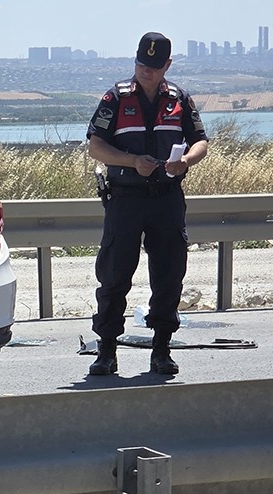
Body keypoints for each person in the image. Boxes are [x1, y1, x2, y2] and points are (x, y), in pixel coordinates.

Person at [85, 31, 208, 376]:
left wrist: (186, 162)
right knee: (114, 275)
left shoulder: (179, 98)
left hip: (167, 199)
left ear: (167, 65)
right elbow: (96, 146)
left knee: (169, 274)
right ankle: (106, 351)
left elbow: (200, 141)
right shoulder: (116, 97)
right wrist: (131, 160)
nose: (147, 71)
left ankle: (161, 350)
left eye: (154, 66)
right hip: (126, 198)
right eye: (142, 64)